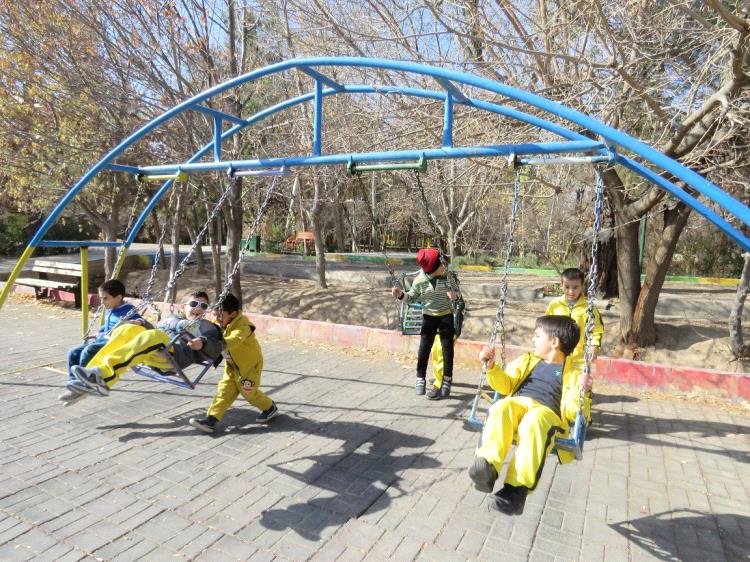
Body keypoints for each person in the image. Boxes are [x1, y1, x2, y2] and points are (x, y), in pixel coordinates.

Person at [468, 315, 590, 516]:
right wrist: (491, 367)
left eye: (537, 336)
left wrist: (582, 391)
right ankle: (487, 467)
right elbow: (505, 384)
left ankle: (516, 492)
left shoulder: (573, 375)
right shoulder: (526, 360)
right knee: (501, 407)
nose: (533, 339)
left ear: (554, 342)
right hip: (519, 403)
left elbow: (571, 411)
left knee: (534, 421)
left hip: (546, 413)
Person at [68, 291, 222, 398]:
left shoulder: (207, 326)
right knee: (129, 328)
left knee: (154, 335)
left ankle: (101, 375)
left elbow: (216, 345)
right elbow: (155, 328)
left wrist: (202, 343)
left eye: (203, 306)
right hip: (153, 350)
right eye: (194, 303)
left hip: (174, 356)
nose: (198, 308)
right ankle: (92, 377)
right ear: (183, 307)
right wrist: (141, 322)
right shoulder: (172, 319)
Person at [189, 293, 278, 434]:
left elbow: (234, 340)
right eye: (215, 315)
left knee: (249, 393)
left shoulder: (243, 326)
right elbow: (209, 332)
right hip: (232, 365)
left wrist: (210, 344)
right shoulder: (219, 323)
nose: (217, 319)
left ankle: (270, 407)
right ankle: (211, 421)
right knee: (224, 391)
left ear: (233, 313)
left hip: (249, 366)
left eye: (220, 315)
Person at [59, 279, 145, 405]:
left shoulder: (128, 309)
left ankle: (83, 385)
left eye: (105, 298)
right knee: (73, 352)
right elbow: (107, 325)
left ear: (118, 298)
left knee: (88, 351)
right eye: (101, 298)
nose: (102, 302)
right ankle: (73, 385)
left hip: (114, 343)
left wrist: (136, 322)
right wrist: (99, 332)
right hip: (102, 340)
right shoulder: (110, 309)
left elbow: (141, 321)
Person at [391, 248, 460, 397]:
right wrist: (401, 295)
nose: (445, 266)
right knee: (424, 348)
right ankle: (420, 378)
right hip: (429, 317)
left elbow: (458, 294)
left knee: (447, 349)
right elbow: (411, 298)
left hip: (446, 316)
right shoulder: (420, 281)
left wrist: (455, 296)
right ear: (434, 269)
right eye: (442, 264)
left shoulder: (448, 277)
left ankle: (447, 379)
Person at [545, 267, 604, 370]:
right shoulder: (555, 305)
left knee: (579, 380)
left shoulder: (589, 308)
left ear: (582, 286)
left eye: (575, 287)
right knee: (557, 378)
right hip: (557, 356)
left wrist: (594, 346)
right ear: (561, 285)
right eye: (567, 287)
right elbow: (546, 327)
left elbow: (596, 330)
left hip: (580, 359)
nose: (571, 291)